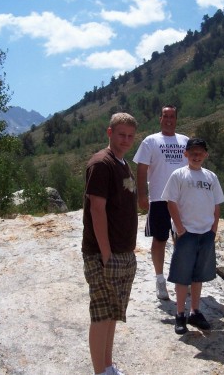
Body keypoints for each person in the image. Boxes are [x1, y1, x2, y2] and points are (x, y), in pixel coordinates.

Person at [82, 112, 138, 375]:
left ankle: (107, 366)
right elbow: (96, 209)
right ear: (109, 133)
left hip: (123, 253)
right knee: (102, 315)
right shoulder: (101, 164)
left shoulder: (123, 163)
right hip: (104, 255)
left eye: (130, 135)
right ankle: (99, 371)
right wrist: (106, 254)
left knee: (113, 313)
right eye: (121, 135)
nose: (126, 140)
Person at [161, 138, 224, 334]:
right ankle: (180, 314)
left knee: (199, 275)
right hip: (186, 233)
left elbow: (216, 205)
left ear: (206, 155)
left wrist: (213, 229)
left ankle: (195, 311)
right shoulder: (178, 175)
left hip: (205, 233)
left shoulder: (211, 177)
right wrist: (180, 229)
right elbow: (171, 202)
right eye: (193, 153)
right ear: (186, 154)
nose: (196, 156)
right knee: (182, 276)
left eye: (200, 153)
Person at [133, 105, 189, 300]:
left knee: (181, 239)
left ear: (176, 119)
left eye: (172, 116)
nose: (169, 119)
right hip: (159, 198)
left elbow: (194, 167)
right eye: (165, 116)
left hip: (182, 199)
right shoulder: (151, 141)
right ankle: (160, 280)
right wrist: (141, 195)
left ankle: (181, 279)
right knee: (159, 239)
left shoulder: (185, 141)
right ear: (160, 118)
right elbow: (141, 170)